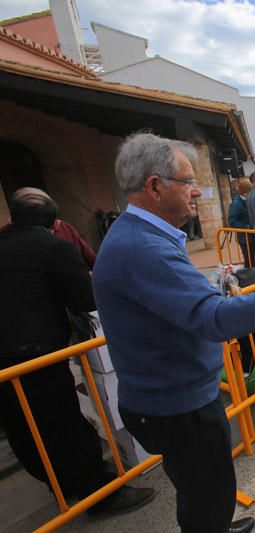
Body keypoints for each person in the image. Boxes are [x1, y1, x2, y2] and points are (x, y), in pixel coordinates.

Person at [92, 133, 255, 533]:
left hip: (177, 396)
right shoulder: (142, 247)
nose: (197, 192)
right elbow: (217, 319)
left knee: (203, 488)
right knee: (206, 493)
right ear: (154, 187)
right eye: (187, 181)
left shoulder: (144, 237)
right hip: (178, 406)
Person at [0, 187, 155, 520]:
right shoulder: (53, 247)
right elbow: (86, 299)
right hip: (37, 357)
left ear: (13, 217)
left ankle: (58, 486)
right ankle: (99, 495)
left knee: (24, 429)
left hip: (6, 362)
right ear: (56, 223)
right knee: (65, 426)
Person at [227, 179, 255, 268]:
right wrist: (247, 227)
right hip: (245, 239)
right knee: (250, 261)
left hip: (253, 236)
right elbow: (232, 221)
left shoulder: (248, 200)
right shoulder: (236, 204)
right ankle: (249, 279)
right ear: (245, 193)